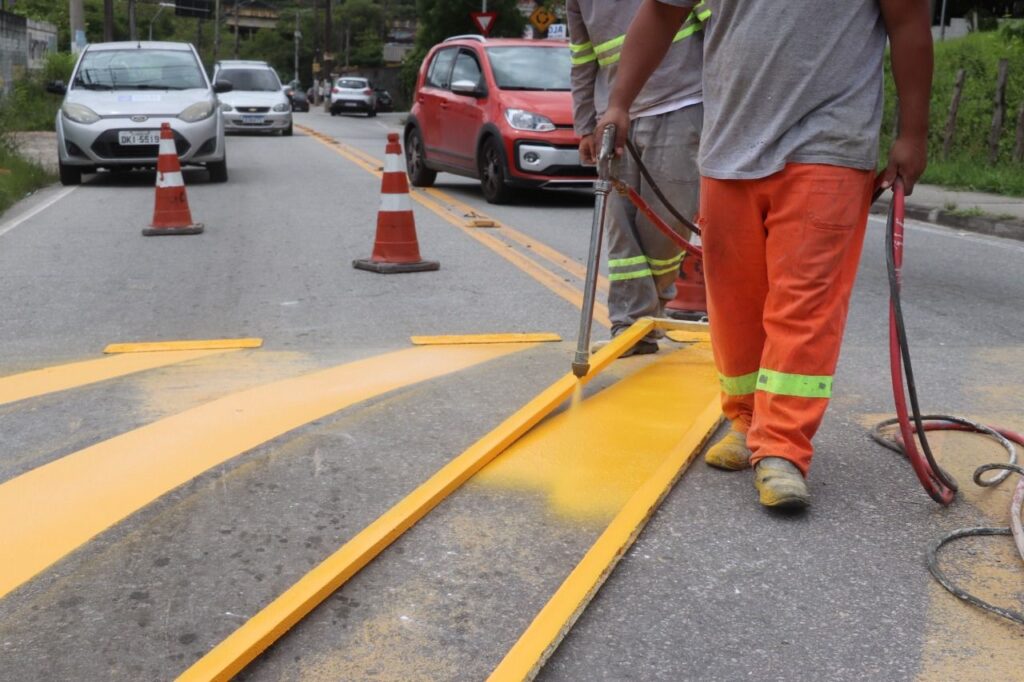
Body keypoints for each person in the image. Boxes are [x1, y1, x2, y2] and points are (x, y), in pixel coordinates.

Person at [596, 0, 932, 509]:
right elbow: (662, 13)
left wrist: (913, 134)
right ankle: (748, 420)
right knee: (736, 302)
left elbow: (908, 23)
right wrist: (620, 103)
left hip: (829, 143)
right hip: (729, 146)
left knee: (804, 300)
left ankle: (782, 448)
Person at [568, 0, 709, 357]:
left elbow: (717, 28)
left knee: (664, 229)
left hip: (681, 104)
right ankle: (629, 325)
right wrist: (585, 124)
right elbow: (583, 59)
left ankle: (647, 315)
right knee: (621, 228)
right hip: (613, 117)